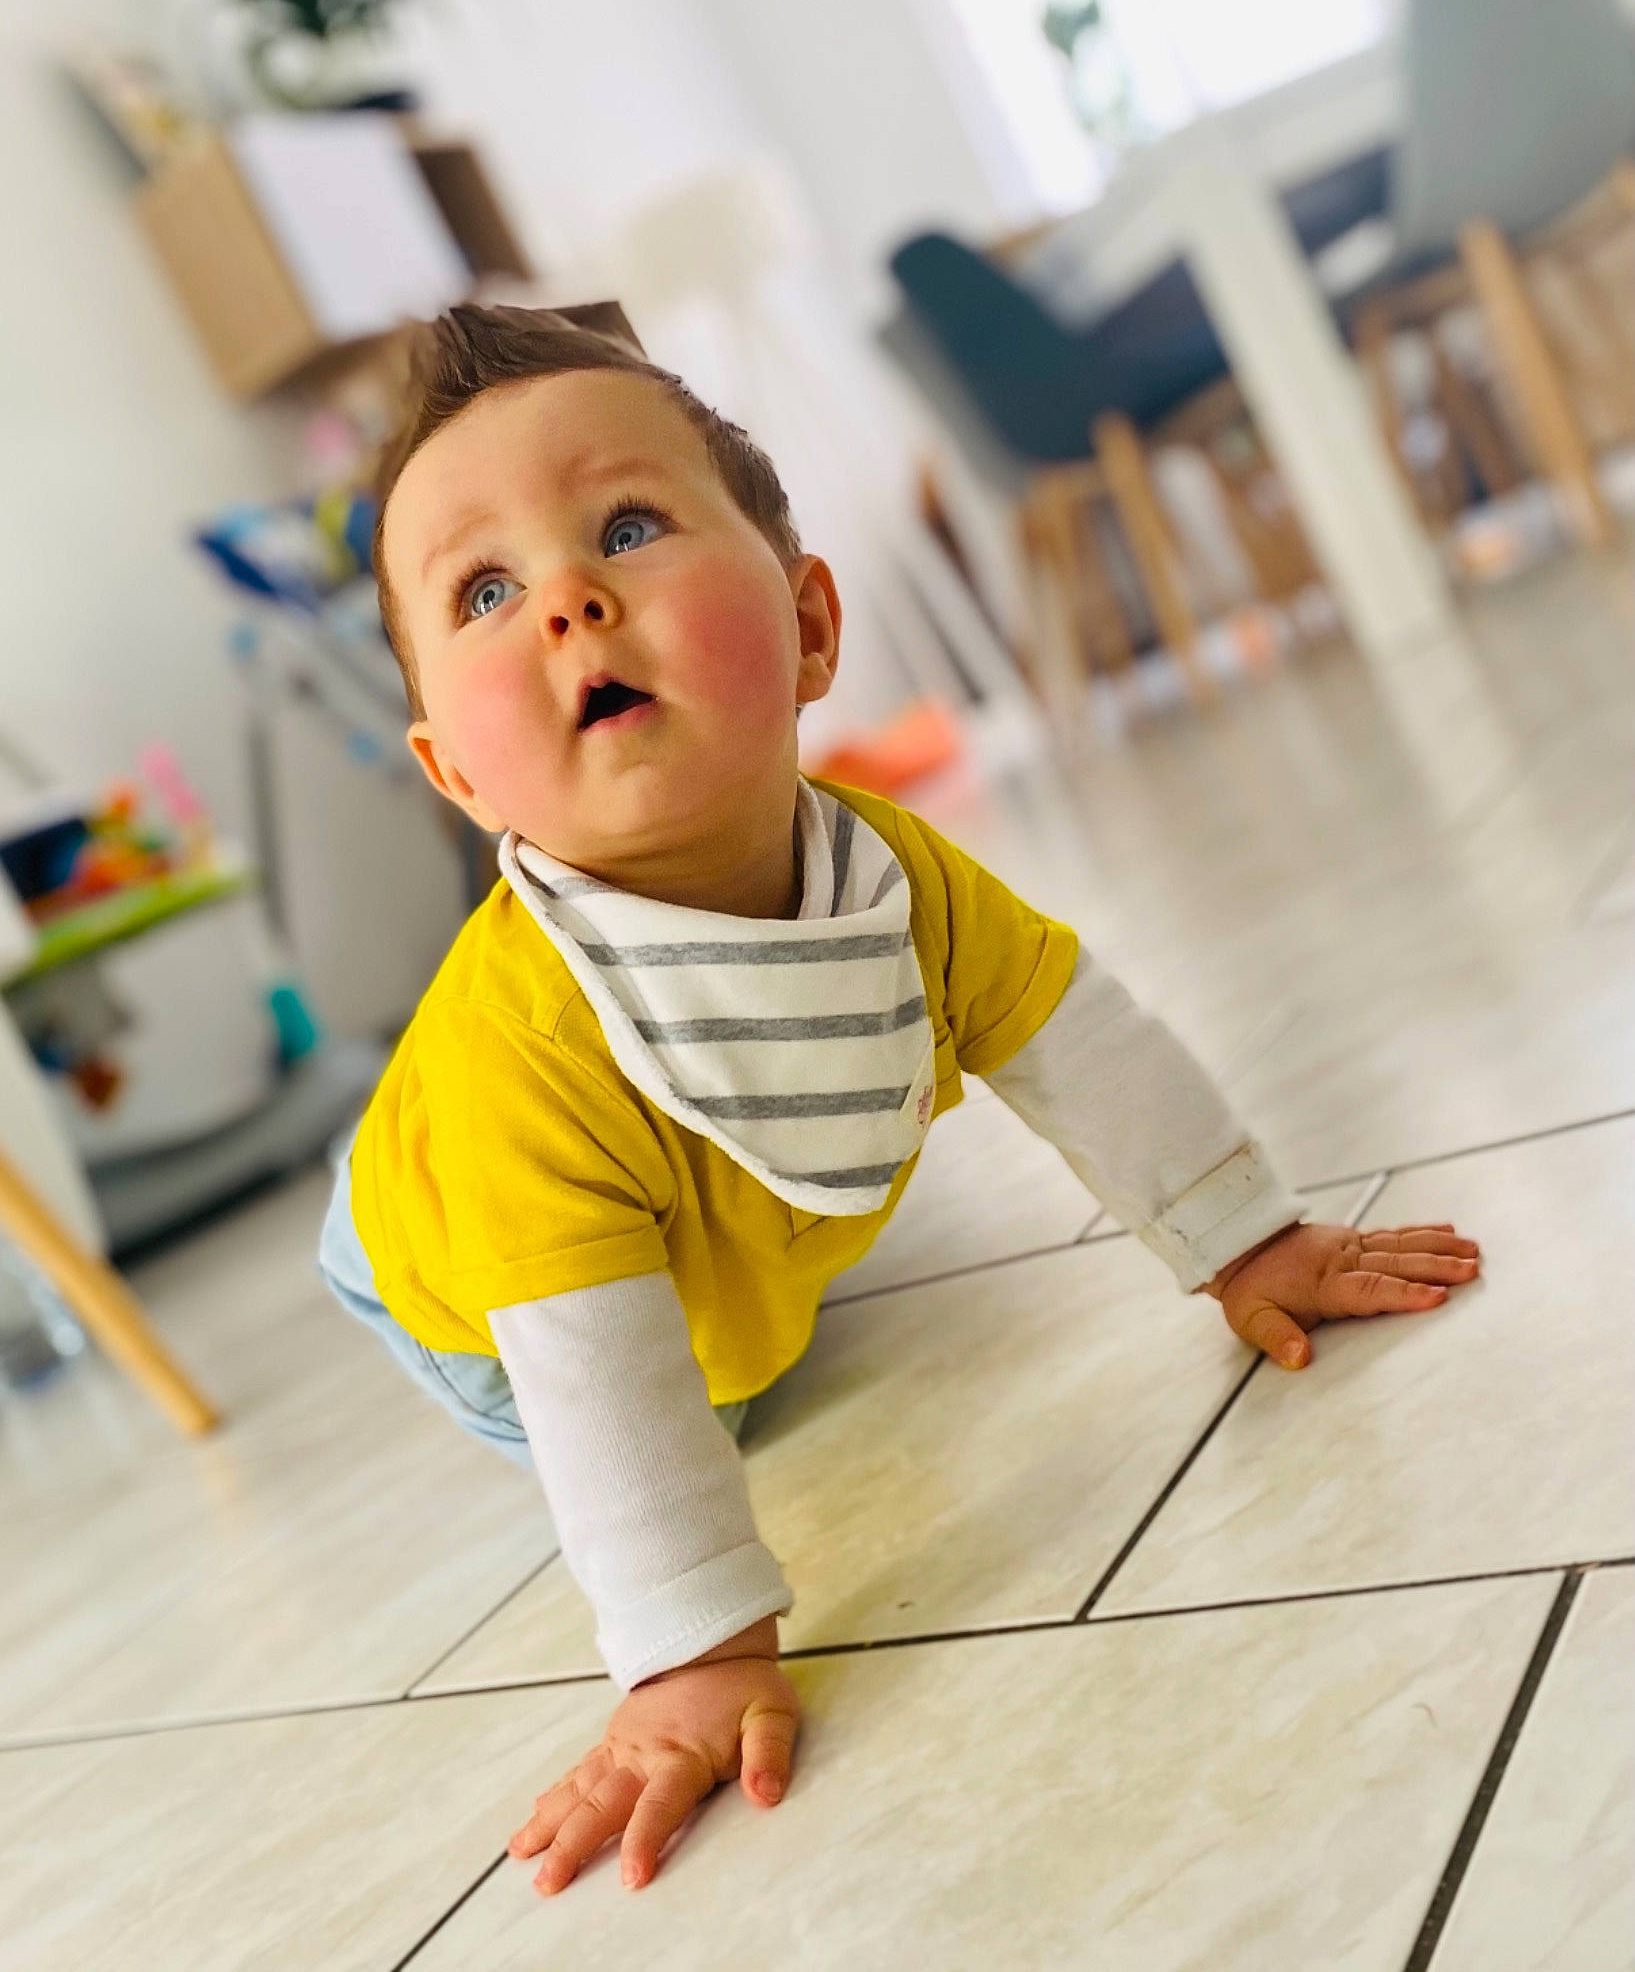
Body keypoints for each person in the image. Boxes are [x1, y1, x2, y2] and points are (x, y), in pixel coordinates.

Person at [319, 302, 1481, 1899]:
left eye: (631, 526)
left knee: (748, 1309)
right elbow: (595, 1381)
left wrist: (1244, 1239)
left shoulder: (893, 876)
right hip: (453, 1286)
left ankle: (747, 1276)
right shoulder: (518, 1059)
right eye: (488, 589)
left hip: (705, 1209)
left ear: (809, 626)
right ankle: (728, 1328)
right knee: (692, 1400)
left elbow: (1079, 1038)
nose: (571, 601)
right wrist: (693, 1650)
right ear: (457, 775)